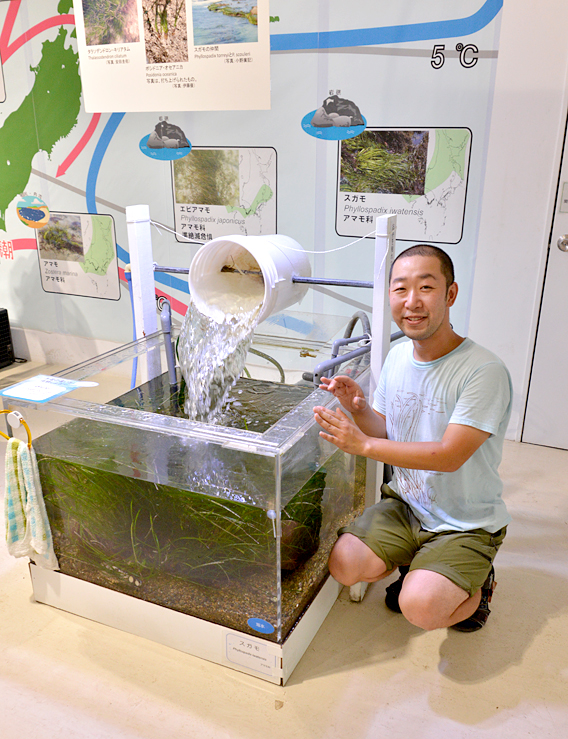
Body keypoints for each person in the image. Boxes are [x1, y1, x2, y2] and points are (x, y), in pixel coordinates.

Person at [313, 244, 512, 632]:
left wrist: (363, 445)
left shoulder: (483, 370)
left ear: (450, 294)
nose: (412, 302)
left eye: (426, 287)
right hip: (407, 505)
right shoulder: (399, 356)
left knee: (420, 608)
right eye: (400, 289)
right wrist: (358, 408)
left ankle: (478, 583)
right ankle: (420, 562)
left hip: (465, 522)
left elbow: (449, 456)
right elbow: (385, 430)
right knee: (344, 565)